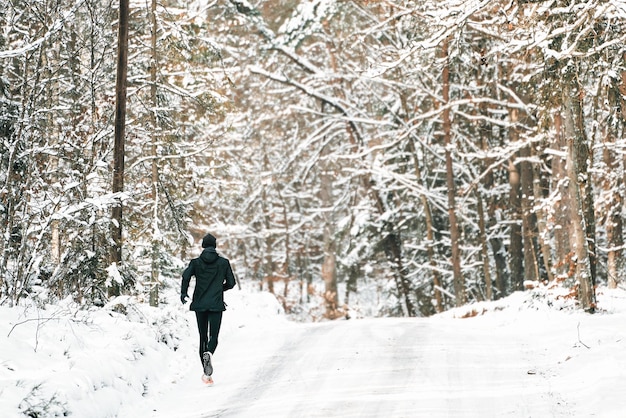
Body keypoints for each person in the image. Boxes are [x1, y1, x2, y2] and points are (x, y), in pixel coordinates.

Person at [181, 233, 236, 384]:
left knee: (202, 337)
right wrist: (219, 289)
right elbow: (231, 283)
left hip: (199, 304)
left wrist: (183, 293)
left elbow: (185, 277)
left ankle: (206, 374)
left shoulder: (196, 263)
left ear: (203, 246)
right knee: (214, 337)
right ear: (215, 246)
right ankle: (209, 354)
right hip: (216, 304)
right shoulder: (224, 263)